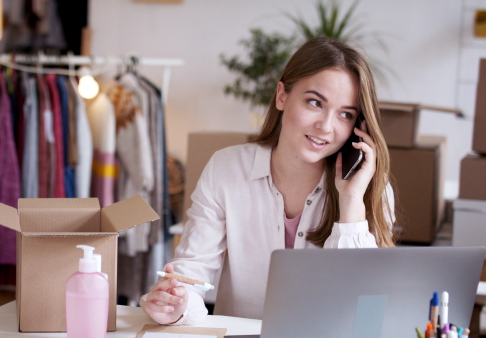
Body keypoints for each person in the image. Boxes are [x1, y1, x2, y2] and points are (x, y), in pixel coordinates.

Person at [140, 37, 396, 325]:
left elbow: (363, 311)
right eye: (315, 102)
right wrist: (178, 302)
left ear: (357, 126)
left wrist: (351, 203)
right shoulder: (226, 169)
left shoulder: (368, 188)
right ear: (282, 96)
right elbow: (192, 270)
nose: (326, 126)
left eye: (345, 114)